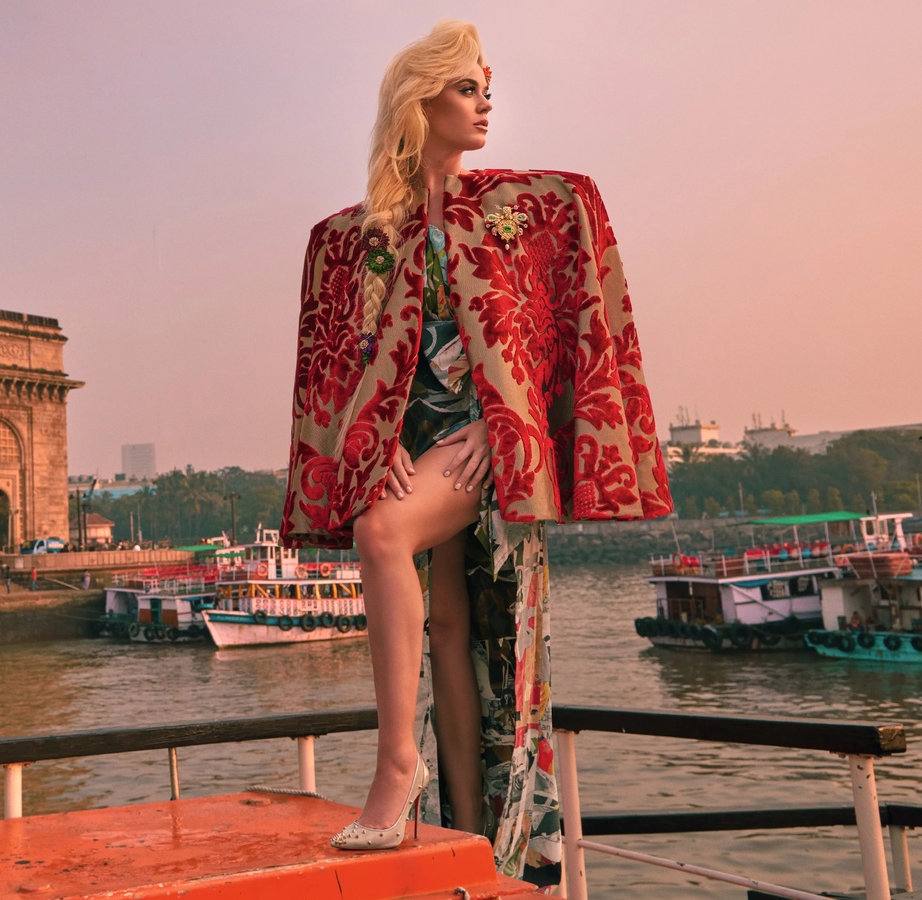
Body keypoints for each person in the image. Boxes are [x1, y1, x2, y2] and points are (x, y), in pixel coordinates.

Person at [279, 21, 670, 882]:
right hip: (403, 446)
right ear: (419, 101)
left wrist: (511, 423)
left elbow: (544, 320)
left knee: (381, 537)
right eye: (466, 88)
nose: (485, 102)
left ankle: (393, 771)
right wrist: (367, 444)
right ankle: (468, 846)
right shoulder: (353, 235)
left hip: (481, 447)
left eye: (489, 88)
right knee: (448, 629)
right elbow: (334, 364)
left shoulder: (517, 207)